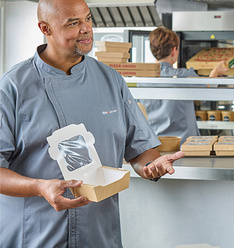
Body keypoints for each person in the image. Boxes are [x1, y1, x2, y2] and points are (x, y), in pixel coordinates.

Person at [0, 0, 184, 247]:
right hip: (36, 235)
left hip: (99, 235)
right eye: (73, 23)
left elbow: (140, 151)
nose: (86, 28)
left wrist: (152, 165)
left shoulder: (111, 80)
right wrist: (38, 187)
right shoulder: (13, 86)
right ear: (45, 29)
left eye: (87, 18)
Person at [137, 27, 229, 144]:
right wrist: (216, 71)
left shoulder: (142, 80)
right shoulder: (184, 76)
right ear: (174, 51)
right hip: (184, 146)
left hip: (156, 146)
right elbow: (207, 91)